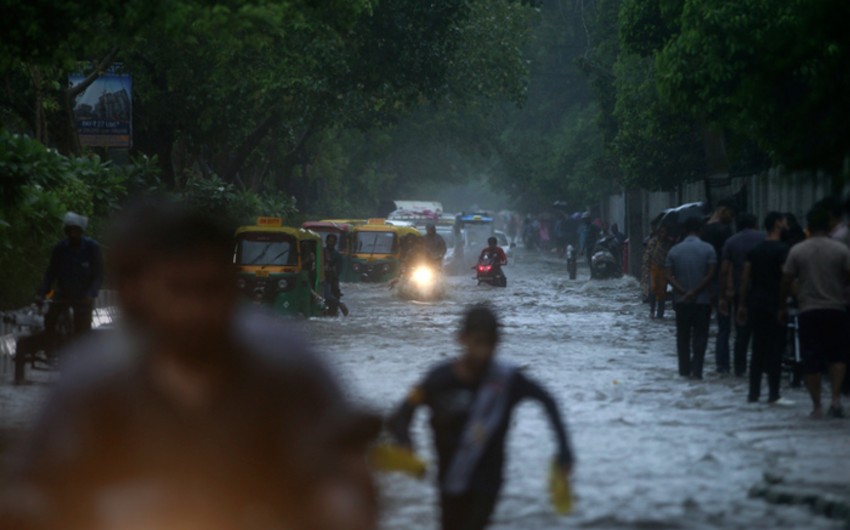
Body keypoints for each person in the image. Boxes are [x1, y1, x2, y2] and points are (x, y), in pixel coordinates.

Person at [0, 201, 380, 530]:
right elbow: (37, 484)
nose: (195, 309)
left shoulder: (288, 367)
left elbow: (345, 477)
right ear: (140, 296)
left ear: (233, 289)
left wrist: (339, 507)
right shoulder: (93, 378)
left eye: (210, 288)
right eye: (178, 289)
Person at [388, 306, 574, 530]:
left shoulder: (508, 381)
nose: (484, 351)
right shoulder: (438, 380)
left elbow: (548, 401)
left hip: (488, 482)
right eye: (479, 342)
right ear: (462, 339)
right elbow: (400, 415)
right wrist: (405, 443)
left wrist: (564, 451)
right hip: (449, 480)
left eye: (491, 344)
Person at [780, 204, 850, 418]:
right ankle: (836, 399)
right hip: (837, 309)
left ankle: (817, 406)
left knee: (811, 359)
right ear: (829, 225)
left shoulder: (798, 250)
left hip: (808, 310)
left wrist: (787, 302)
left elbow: (786, 280)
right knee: (838, 356)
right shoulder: (841, 250)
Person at [737, 212, 789, 403]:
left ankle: (753, 393)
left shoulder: (755, 251)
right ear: (777, 224)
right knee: (775, 350)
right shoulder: (783, 251)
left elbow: (744, 280)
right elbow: (786, 279)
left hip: (755, 304)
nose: (787, 225)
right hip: (774, 304)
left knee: (757, 349)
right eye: (784, 222)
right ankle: (773, 394)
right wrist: (784, 304)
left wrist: (742, 305)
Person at [36, 212, 104, 340]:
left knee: (83, 331)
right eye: (70, 231)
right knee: (50, 319)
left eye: (76, 231)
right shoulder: (60, 249)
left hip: (83, 297)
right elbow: (51, 273)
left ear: (81, 231)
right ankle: (51, 347)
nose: (73, 234)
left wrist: (90, 293)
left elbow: (98, 275)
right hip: (63, 295)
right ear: (66, 232)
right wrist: (42, 294)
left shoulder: (92, 248)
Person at [666, 216, 717, 380]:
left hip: (682, 302)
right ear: (701, 230)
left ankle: (684, 371)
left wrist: (683, 291)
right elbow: (711, 274)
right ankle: (697, 371)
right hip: (702, 301)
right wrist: (695, 291)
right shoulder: (708, 249)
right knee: (700, 337)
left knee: (683, 337)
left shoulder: (674, 250)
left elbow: (667, 275)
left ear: (684, 231)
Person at [718, 213, 766, 376]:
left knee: (741, 332)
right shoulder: (766, 238)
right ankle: (762, 367)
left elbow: (724, 271)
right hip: (765, 291)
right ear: (755, 223)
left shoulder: (731, 242)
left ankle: (740, 368)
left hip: (741, 293)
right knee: (763, 332)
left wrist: (723, 296)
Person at [702, 198, 737, 374]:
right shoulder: (725, 231)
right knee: (724, 326)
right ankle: (724, 364)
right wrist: (728, 287)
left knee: (703, 326)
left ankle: (698, 366)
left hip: (703, 282)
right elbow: (727, 262)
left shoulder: (702, 230)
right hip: (721, 281)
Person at [646, 227, 673, 319]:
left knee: (662, 291)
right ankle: (652, 311)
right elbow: (648, 255)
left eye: (664, 232)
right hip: (653, 268)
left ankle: (660, 314)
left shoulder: (669, 243)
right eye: (661, 232)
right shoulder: (653, 241)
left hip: (664, 269)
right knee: (653, 289)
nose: (662, 234)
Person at [323, 234, 349, 316]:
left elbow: (339, 269)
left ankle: (337, 307)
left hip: (332, 280)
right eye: (330, 241)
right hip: (323, 278)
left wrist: (333, 273)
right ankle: (339, 305)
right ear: (326, 242)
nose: (331, 243)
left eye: (333, 242)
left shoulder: (337, 255)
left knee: (332, 303)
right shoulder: (322, 252)